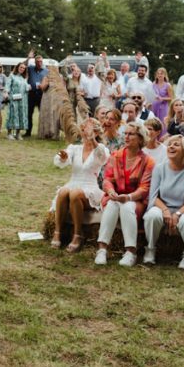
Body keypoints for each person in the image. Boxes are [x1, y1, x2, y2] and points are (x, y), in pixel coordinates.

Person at [144, 136, 184, 270]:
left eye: (176, 145)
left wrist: (178, 214)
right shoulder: (159, 168)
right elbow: (154, 196)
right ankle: (150, 248)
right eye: (170, 144)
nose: (171, 146)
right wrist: (165, 211)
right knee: (152, 216)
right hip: (162, 206)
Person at [97, 124, 155, 267]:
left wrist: (128, 197)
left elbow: (145, 188)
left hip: (136, 200)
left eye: (131, 134)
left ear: (140, 138)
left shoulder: (148, 161)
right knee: (112, 204)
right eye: (126, 133)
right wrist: (111, 191)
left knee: (126, 206)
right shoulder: (115, 156)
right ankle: (102, 249)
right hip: (114, 196)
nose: (126, 137)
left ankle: (131, 252)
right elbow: (107, 179)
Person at [49, 118, 109, 253]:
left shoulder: (101, 149)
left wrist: (93, 140)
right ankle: (58, 232)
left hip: (90, 187)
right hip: (73, 182)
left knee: (75, 193)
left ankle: (78, 235)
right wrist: (63, 158)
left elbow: (102, 158)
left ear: (96, 132)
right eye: (83, 129)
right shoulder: (74, 148)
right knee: (63, 191)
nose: (85, 132)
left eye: (88, 129)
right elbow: (61, 162)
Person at [25, 55, 49, 137]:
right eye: (38, 61)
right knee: (29, 114)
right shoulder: (31, 68)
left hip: (41, 95)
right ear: (35, 62)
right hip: (31, 94)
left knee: (42, 114)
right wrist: (28, 57)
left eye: (41, 61)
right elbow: (23, 65)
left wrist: (43, 85)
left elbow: (48, 82)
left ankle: (43, 132)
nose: (39, 63)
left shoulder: (46, 71)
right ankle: (28, 132)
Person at [5, 61, 29, 140]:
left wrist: (29, 87)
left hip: (23, 100)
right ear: (17, 67)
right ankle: (9, 133)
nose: (22, 69)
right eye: (21, 67)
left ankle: (18, 134)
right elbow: (7, 85)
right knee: (12, 115)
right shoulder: (12, 75)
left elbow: (26, 88)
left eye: (23, 68)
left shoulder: (23, 78)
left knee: (21, 115)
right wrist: (6, 93)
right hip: (14, 98)